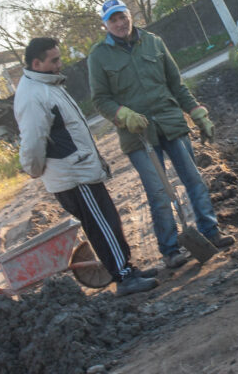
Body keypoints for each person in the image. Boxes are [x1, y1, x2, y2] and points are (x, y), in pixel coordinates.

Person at [87, 0, 235, 269]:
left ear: (129, 16)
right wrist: (122, 115)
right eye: (113, 20)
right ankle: (170, 250)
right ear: (105, 25)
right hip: (138, 134)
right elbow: (100, 99)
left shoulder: (154, 42)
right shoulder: (98, 56)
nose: (120, 24)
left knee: (193, 179)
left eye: (122, 17)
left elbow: (176, 84)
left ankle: (211, 232)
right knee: (158, 192)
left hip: (170, 122)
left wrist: (196, 111)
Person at [14, 37, 158, 296]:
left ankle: (127, 269)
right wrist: (34, 170)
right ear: (37, 63)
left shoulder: (47, 84)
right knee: (101, 226)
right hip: (72, 175)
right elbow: (33, 143)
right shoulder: (33, 95)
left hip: (80, 170)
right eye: (54, 60)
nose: (60, 64)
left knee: (108, 221)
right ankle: (123, 278)